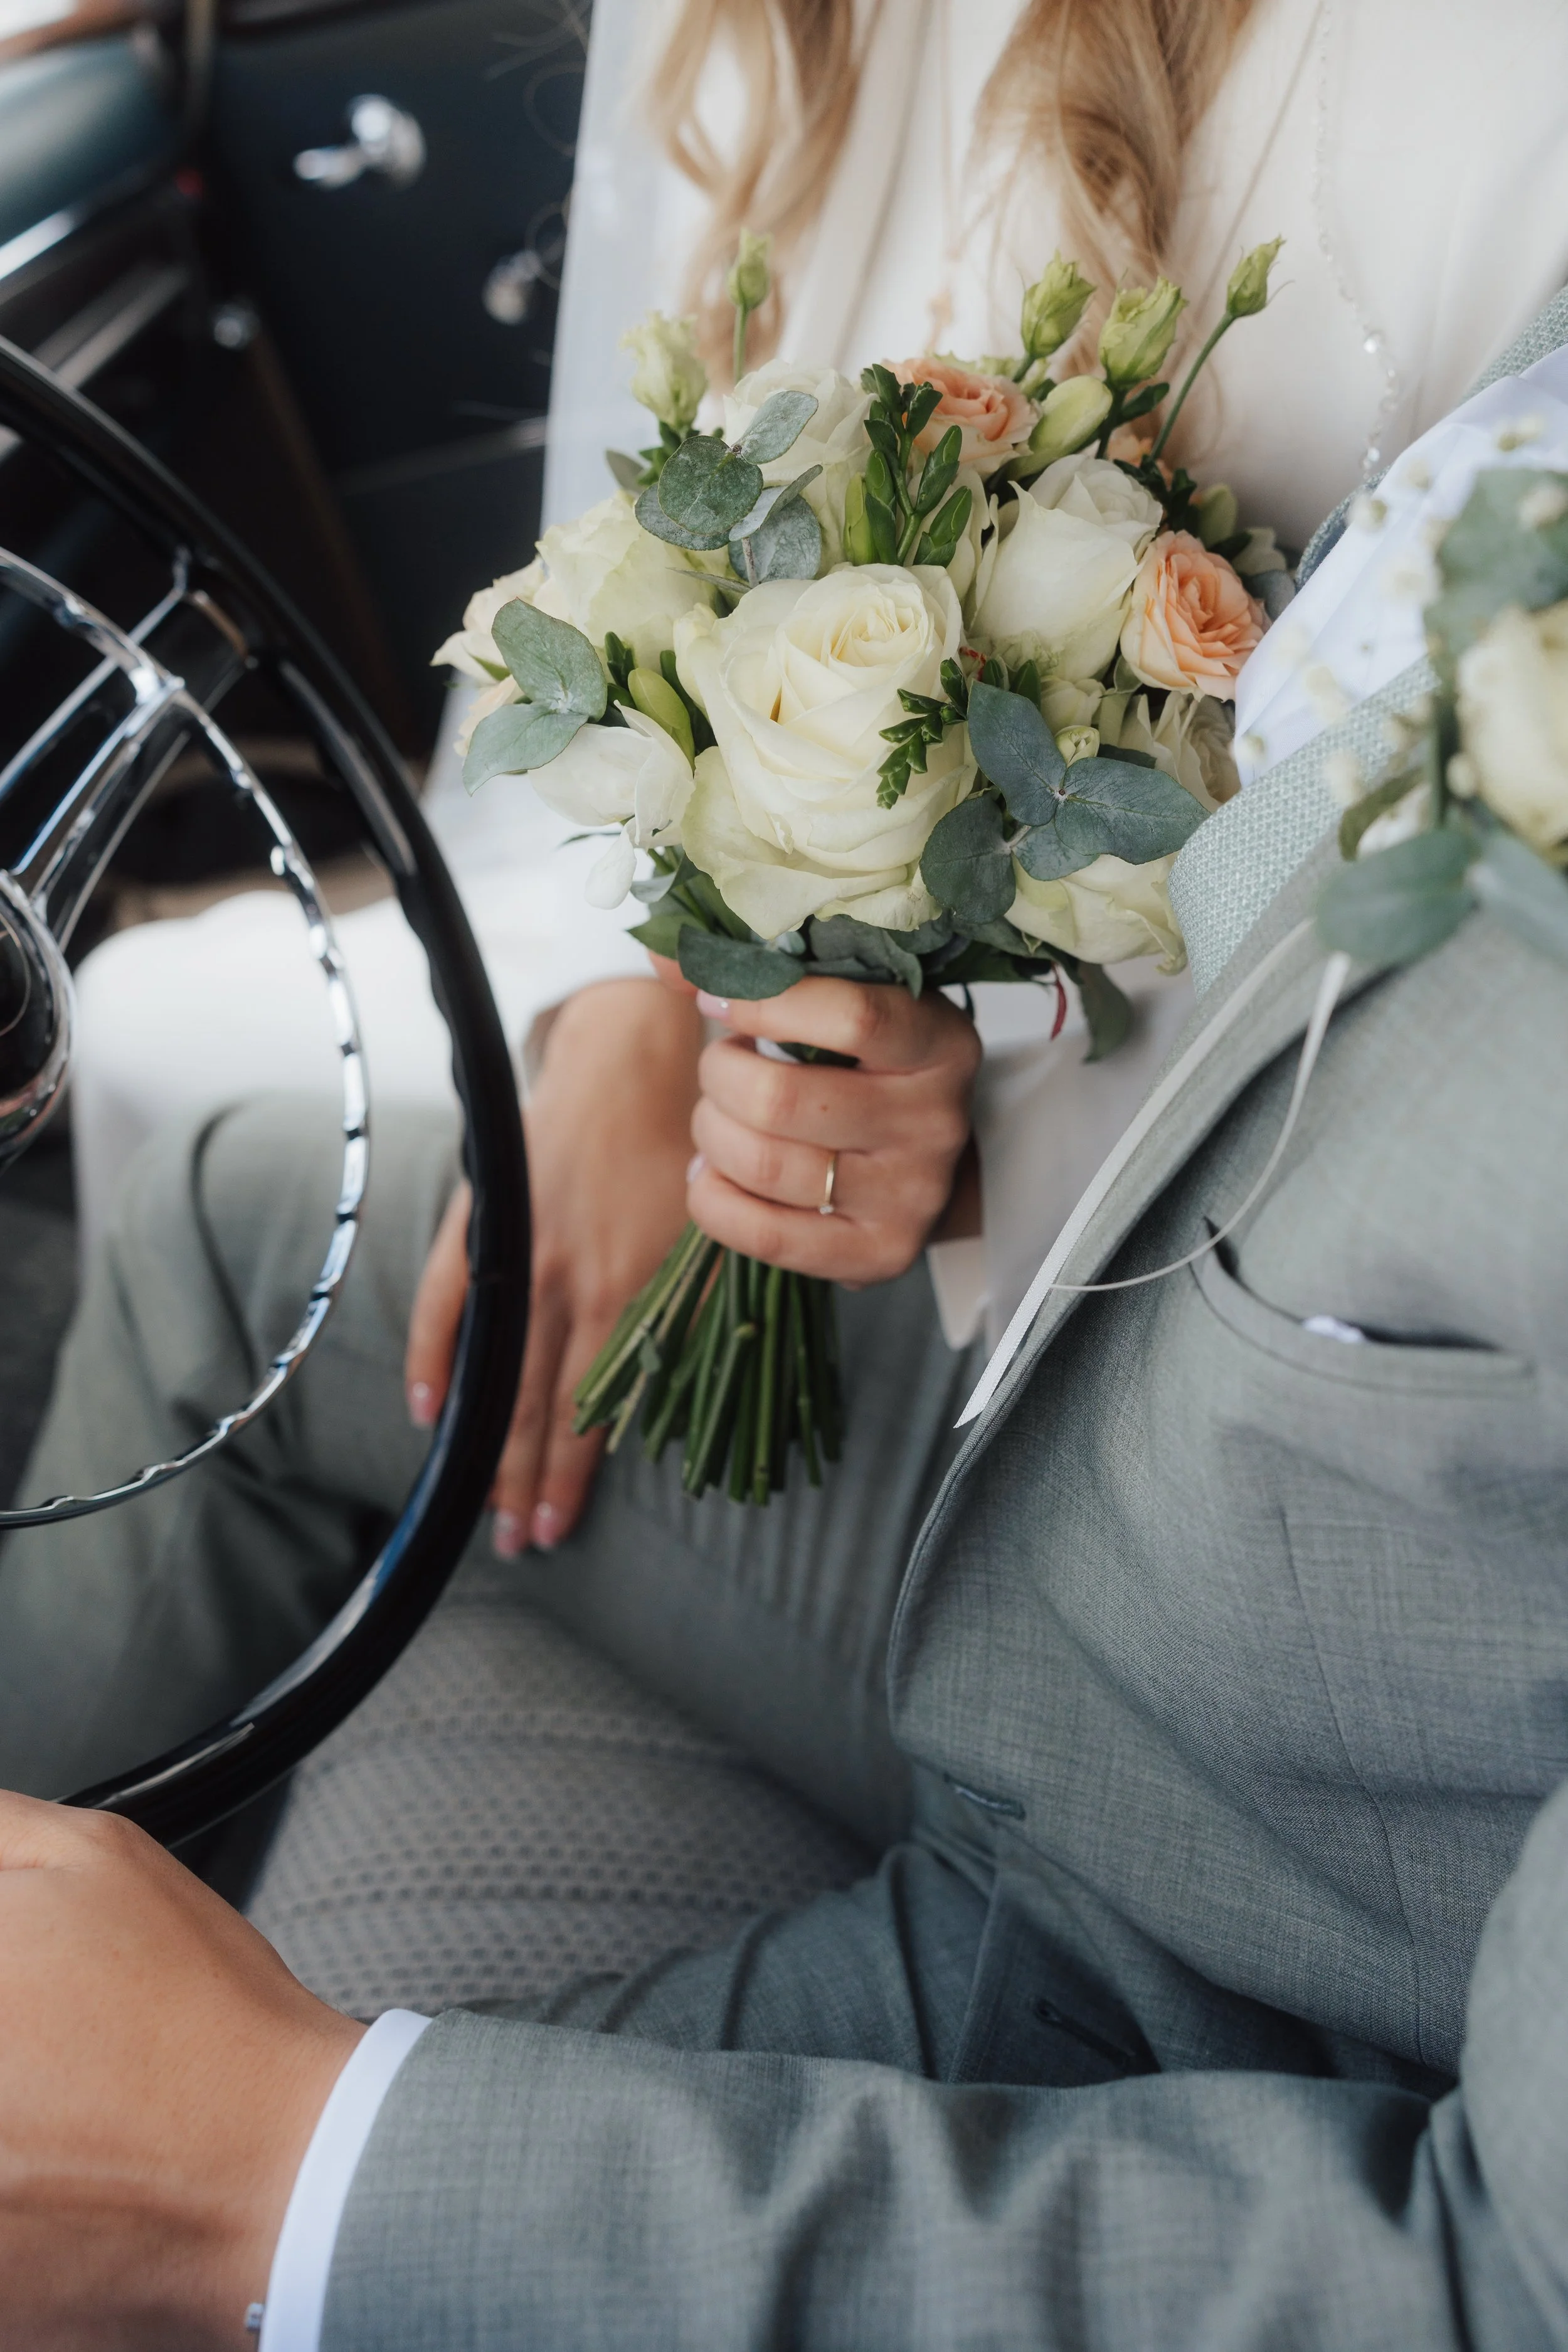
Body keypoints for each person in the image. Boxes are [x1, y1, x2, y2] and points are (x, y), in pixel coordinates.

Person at [1, 1, 1567, 2344]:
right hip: (1090, 1463)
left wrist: (265, 2166)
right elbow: (1292, 966)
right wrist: (774, 1034)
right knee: (250, 1199)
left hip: (1208, 1939)